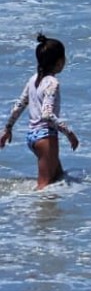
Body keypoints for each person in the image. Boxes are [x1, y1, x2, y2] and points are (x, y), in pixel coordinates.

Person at [1, 33, 81, 190]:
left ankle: (54, 214)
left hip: (32, 137)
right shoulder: (52, 82)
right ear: (59, 62)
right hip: (45, 137)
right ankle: (32, 212)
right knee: (43, 187)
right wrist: (69, 133)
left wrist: (7, 129)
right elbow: (47, 115)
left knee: (59, 178)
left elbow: (19, 105)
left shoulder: (33, 79)